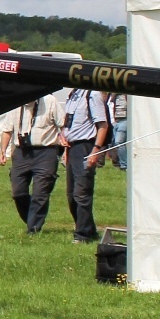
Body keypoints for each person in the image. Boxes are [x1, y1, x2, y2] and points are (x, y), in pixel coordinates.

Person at [0, 90, 65, 235]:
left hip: (46, 151)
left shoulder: (50, 101)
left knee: (40, 192)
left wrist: (65, 145)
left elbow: (63, 125)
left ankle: (33, 229)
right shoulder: (15, 102)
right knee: (18, 192)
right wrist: (3, 151)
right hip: (22, 152)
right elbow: (7, 129)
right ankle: (31, 219)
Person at [60, 88, 111, 244]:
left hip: (85, 146)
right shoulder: (73, 94)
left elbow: (103, 124)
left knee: (81, 192)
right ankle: (89, 229)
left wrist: (96, 150)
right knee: (71, 194)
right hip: (71, 147)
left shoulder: (92, 94)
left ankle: (82, 235)